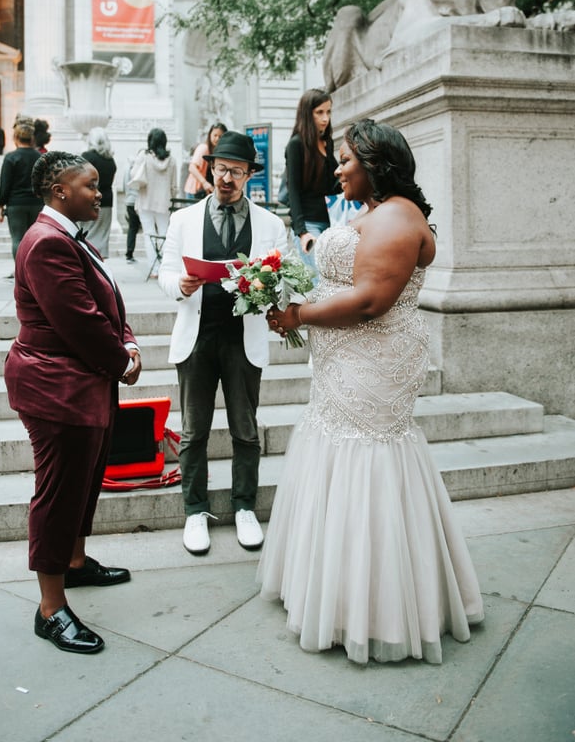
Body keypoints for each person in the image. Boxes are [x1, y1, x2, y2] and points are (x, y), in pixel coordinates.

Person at [259, 119, 484, 665]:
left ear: (375, 164)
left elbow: (368, 301)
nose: (336, 168)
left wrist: (298, 313)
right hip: (345, 358)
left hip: (374, 359)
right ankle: (331, 591)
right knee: (336, 445)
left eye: (344, 160)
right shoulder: (373, 214)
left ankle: (376, 608)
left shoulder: (399, 217)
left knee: (368, 453)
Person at [4, 151, 142, 655]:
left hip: (82, 383)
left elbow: (104, 299)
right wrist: (120, 360)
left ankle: (77, 564)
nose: (100, 193)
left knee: (84, 484)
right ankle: (50, 608)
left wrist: (126, 341)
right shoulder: (45, 243)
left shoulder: (67, 237)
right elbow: (79, 321)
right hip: (55, 387)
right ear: (61, 190)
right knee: (59, 492)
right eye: (92, 185)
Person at [158, 130, 288, 556]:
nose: (226, 178)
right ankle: (195, 510)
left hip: (242, 337)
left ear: (249, 174)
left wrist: (267, 287)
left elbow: (283, 281)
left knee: (245, 429)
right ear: (210, 169)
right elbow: (165, 274)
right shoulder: (183, 220)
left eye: (235, 171)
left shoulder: (271, 225)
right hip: (197, 336)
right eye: (220, 169)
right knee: (193, 431)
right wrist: (180, 283)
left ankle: (244, 506)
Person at [284, 88, 340, 275]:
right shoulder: (296, 145)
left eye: (329, 112)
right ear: (307, 114)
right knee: (317, 283)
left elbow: (333, 184)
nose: (325, 118)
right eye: (319, 112)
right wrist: (302, 232)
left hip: (330, 221)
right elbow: (293, 190)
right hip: (308, 224)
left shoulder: (327, 143)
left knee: (331, 280)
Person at [130, 128, 178, 277]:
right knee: (165, 234)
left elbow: (133, 175)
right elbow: (174, 185)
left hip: (146, 201)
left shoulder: (144, 156)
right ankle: (167, 267)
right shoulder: (172, 160)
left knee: (148, 234)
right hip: (164, 203)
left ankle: (154, 268)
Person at [0, 118, 43, 259]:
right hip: (36, 202)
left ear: (16, 137)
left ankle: (20, 270)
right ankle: (33, 270)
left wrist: (1, 203)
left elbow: (5, 184)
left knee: (18, 239)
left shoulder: (11, 158)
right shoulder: (39, 156)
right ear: (32, 138)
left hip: (16, 203)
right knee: (35, 238)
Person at [80, 127, 117, 258]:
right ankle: (99, 266)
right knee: (101, 236)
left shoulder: (87, 157)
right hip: (107, 201)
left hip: (89, 200)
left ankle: (90, 265)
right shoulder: (110, 160)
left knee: (87, 235)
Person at [183, 122, 227, 200]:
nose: (217, 139)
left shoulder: (218, 152)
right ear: (210, 135)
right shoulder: (204, 148)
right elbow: (192, 167)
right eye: (215, 135)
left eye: (220, 136)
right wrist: (204, 183)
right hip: (195, 192)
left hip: (207, 193)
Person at [122, 153, 142, 264]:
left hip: (129, 200)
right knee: (135, 227)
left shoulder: (127, 169)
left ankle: (129, 253)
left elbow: (124, 185)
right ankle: (129, 254)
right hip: (138, 201)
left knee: (132, 228)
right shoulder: (139, 168)